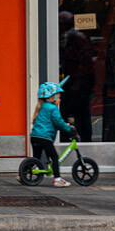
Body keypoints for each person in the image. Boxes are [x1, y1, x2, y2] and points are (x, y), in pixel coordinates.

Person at [57, 11, 96, 142]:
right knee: (78, 111)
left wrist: (77, 81)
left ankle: (82, 138)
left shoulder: (76, 37)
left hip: (79, 81)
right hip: (75, 79)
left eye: (61, 23)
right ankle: (77, 137)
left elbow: (85, 62)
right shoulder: (70, 36)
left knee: (78, 110)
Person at [30, 80, 75, 187]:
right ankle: (57, 179)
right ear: (51, 98)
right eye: (58, 97)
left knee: (36, 157)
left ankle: (23, 173)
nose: (59, 99)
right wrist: (69, 129)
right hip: (45, 137)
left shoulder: (42, 107)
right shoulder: (53, 108)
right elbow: (58, 122)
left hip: (35, 136)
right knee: (54, 157)